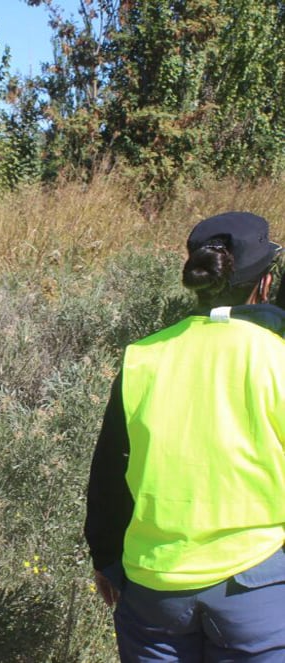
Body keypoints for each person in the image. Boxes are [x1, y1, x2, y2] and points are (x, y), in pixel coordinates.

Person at [84, 211, 285, 661]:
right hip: (257, 584)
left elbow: (110, 472)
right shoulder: (276, 356)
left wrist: (105, 558)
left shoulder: (143, 356)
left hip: (153, 589)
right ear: (265, 283)